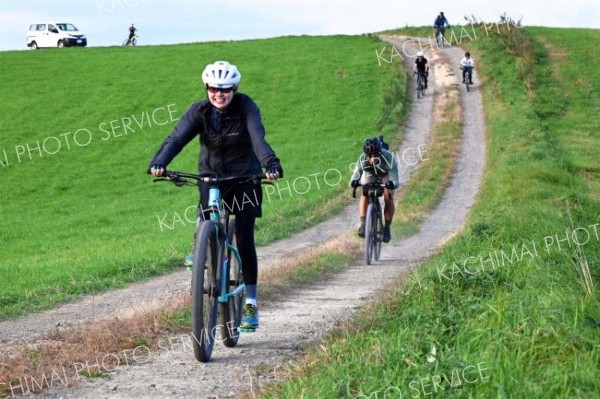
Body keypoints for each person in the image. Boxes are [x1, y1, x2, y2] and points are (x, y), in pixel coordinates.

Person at [148, 60, 283, 332]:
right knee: (207, 213)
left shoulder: (247, 107)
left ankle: (251, 303)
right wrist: (159, 162)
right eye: (213, 88)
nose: (219, 94)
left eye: (225, 89)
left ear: (235, 89)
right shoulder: (199, 112)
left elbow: (258, 138)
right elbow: (176, 138)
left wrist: (270, 163)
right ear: (206, 88)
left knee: (244, 239)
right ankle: (201, 246)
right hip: (211, 175)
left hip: (245, 177)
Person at [350, 137, 400, 243]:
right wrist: (354, 181)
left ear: (380, 153)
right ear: (366, 155)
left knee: (388, 196)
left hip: (385, 175)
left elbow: (395, 178)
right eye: (369, 156)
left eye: (375, 155)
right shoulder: (362, 159)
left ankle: (386, 228)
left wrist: (392, 184)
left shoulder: (388, 158)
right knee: (365, 192)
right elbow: (357, 172)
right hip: (370, 174)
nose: (372, 158)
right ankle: (364, 224)